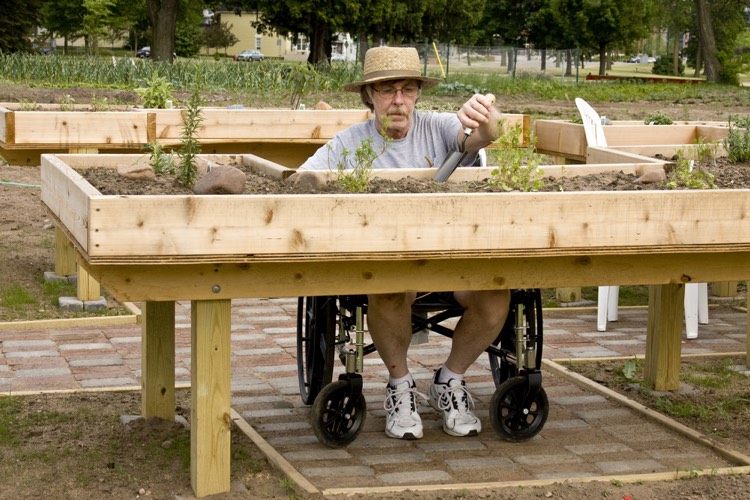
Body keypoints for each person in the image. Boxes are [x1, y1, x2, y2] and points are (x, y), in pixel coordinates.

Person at [294, 46, 510, 440]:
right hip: (389, 264)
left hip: (450, 256)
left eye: (407, 90)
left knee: (496, 295)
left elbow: (487, 135)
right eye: (387, 90)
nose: (398, 100)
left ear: (417, 94)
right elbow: (299, 182)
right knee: (391, 286)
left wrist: (485, 113)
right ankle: (400, 386)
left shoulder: (442, 128)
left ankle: (449, 381)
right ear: (369, 95)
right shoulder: (348, 145)